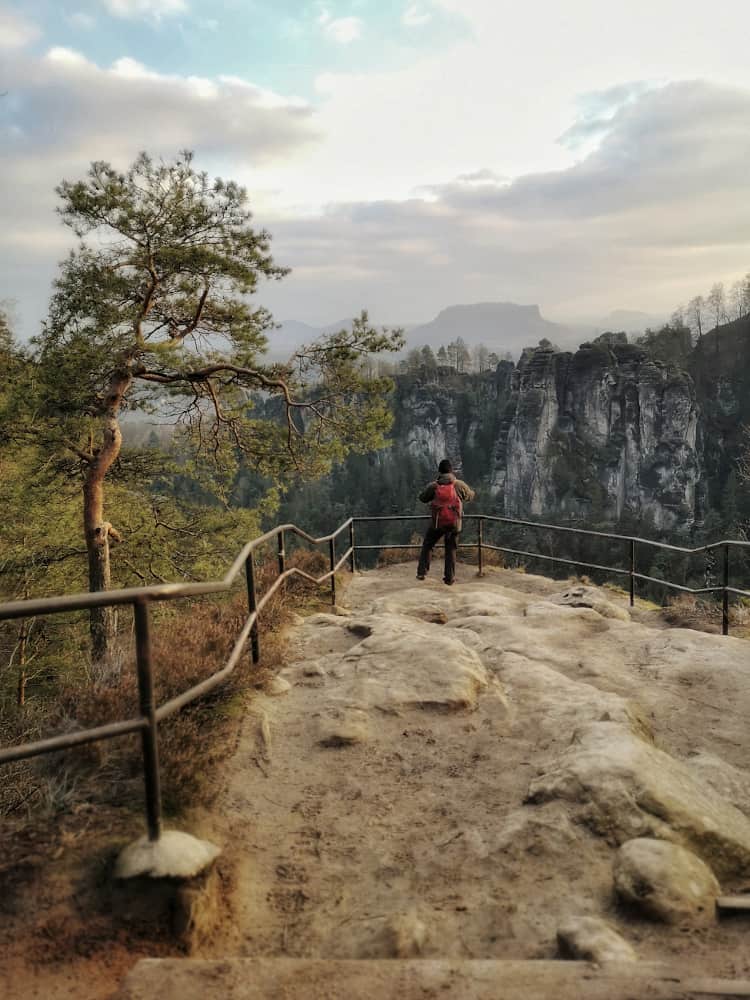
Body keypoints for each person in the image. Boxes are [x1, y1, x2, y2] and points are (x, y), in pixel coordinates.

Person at [416, 459, 476, 585]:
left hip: (437, 523)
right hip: (454, 524)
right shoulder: (459, 485)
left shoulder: (434, 486)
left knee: (428, 544)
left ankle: (422, 572)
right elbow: (470, 496)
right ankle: (449, 579)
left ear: (439, 471)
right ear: (451, 470)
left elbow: (423, 498)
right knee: (451, 549)